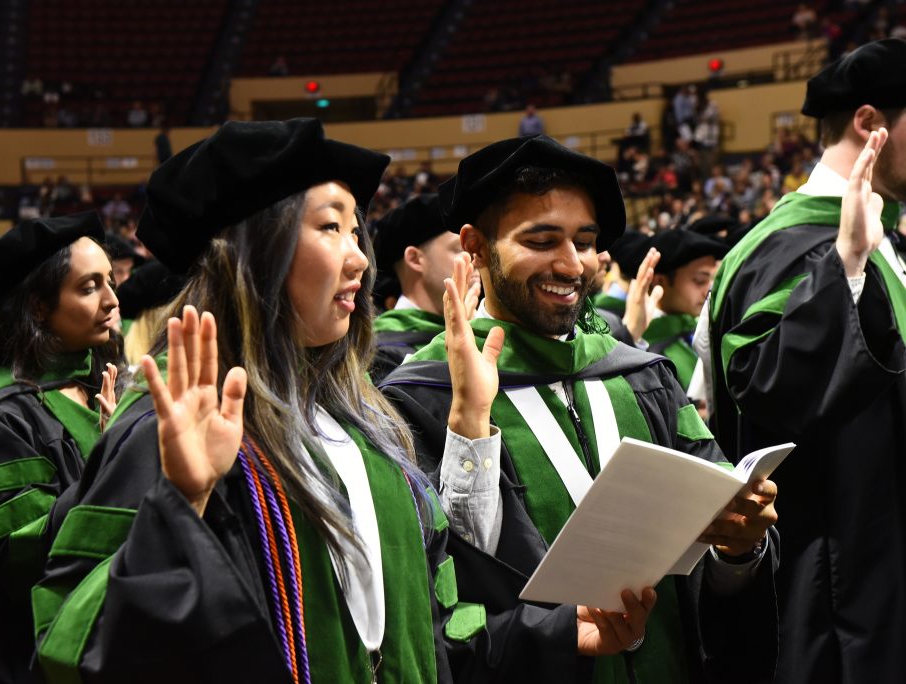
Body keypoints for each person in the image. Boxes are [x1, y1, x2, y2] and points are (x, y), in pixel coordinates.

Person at [32, 119, 655, 682]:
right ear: (254, 252)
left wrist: (552, 631)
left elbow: (437, 627)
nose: (360, 257)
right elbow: (69, 645)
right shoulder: (170, 430)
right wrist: (179, 505)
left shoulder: (367, 429)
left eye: (357, 230)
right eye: (331, 227)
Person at [381, 135, 780, 683]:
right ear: (474, 245)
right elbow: (430, 600)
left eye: (585, 242)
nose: (573, 266)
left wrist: (739, 548)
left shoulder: (641, 376)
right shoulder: (423, 398)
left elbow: (720, 560)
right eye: (543, 240)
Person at [707, 38, 906, 683]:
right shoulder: (788, 250)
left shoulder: (884, 236)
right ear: (871, 124)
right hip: (840, 598)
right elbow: (770, 392)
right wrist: (845, 264)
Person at [0, 212, 123, 684]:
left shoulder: (91, 384)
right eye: (90, 286)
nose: (114, 300)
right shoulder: (5, 415)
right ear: (37, 307)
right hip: (31, 656)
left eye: (110, 281)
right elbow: (15, 556)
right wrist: (114, 460)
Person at [371, 194, 478, 381]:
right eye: (461, 249)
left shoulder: (484, 325)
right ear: (414, 259)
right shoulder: (377, 352)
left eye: (475, 248)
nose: (475, 259)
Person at [643, 229, 728, 393]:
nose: (708, 291)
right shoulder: (644, 344)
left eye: (711, 280)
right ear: (660, 281)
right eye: (700, 280)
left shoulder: (697, 325)